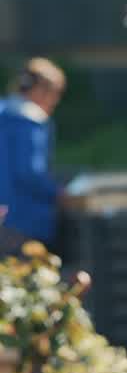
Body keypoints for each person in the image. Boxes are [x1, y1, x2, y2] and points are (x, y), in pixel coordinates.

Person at [0, 57, 66, 255]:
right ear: (40, 90)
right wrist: (59, 194)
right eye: (55, 93)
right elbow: (30, 173)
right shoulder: (30, 121)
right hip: (23, 221)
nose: (56, 101)